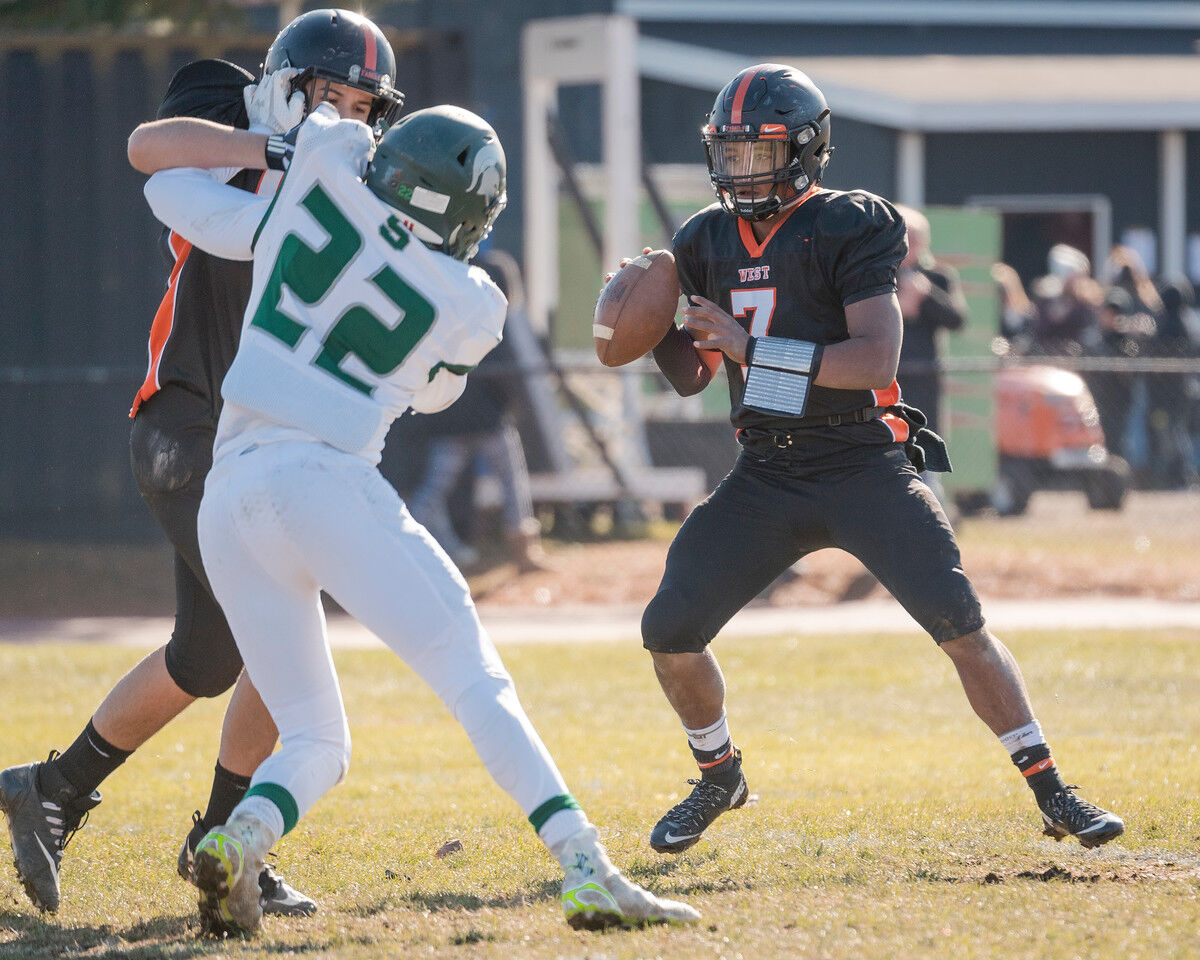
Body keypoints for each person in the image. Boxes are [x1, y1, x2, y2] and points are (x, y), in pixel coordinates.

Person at [138, 102, 700, 936]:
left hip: (230, 489)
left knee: (316, 740)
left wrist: (292, 149)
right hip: (325, 479)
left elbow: (166, 188)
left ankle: (241, 838)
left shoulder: (326, 158)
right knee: (476, 679)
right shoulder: (472, 297)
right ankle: (587, 867)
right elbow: (436, 389)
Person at [630, 64, 1124, 857]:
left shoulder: (852, 223)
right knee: (669, 629)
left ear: (805, 150)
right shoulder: (704, 238)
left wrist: (750, 346)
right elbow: (694, 378)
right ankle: (718, 775)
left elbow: (871, 358)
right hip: (768, 469)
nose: (738, 171)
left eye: (757, 153)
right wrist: (650, 325)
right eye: (729, 153)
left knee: (960, 624)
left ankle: (1052, 788)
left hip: (864, 459)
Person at [0, 8, 403, 916]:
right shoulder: (230, 103)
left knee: (210, 652)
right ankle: (218, 841)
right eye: (329, 97)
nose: (344, 119)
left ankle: (55, 788)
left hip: (263, 439)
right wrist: (274, 148)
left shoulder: (361, 176)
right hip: (187, 425)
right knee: (278, 629)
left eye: (361, 106)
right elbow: (149, 145)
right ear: (289, 84)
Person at [892, 204, 967, 437]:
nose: (909, 243)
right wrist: (898, 308)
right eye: (905, 235)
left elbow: (957, 320)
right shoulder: (878, 274)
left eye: (915, 238)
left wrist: (927, 294)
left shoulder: (938, 277)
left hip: (924, 374)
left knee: (925, 439)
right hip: (887, 373)